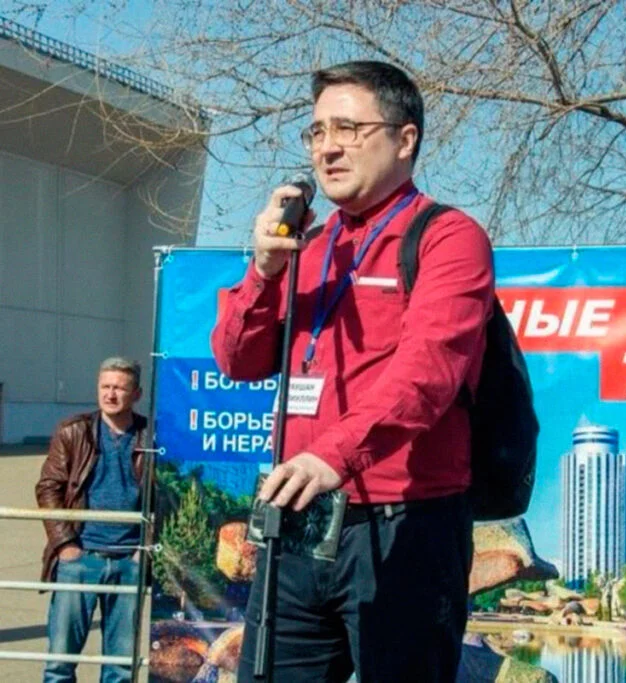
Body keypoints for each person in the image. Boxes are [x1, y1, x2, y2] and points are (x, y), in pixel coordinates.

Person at [211, 60, 494, 682]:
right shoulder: (308, 246)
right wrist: (263, 271)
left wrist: (330, 455)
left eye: (348, 128)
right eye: (316, 131)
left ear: (405, 138)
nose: (327, 147)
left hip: (404, 526)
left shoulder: (447, 237)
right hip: (300, 525)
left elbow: (427, 375)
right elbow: (237, 360)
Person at [35, 357, 146, 683]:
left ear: (136, 394)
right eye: (105, 386)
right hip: (80, 557)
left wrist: (144, 551)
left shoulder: (151, 436)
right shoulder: (74, 431)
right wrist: (65, 544)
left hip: (129, 561)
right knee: (60, 663)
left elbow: (167, 495)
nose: (110, 394)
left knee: (120, 668)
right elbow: (48, 488)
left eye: (119, 388)